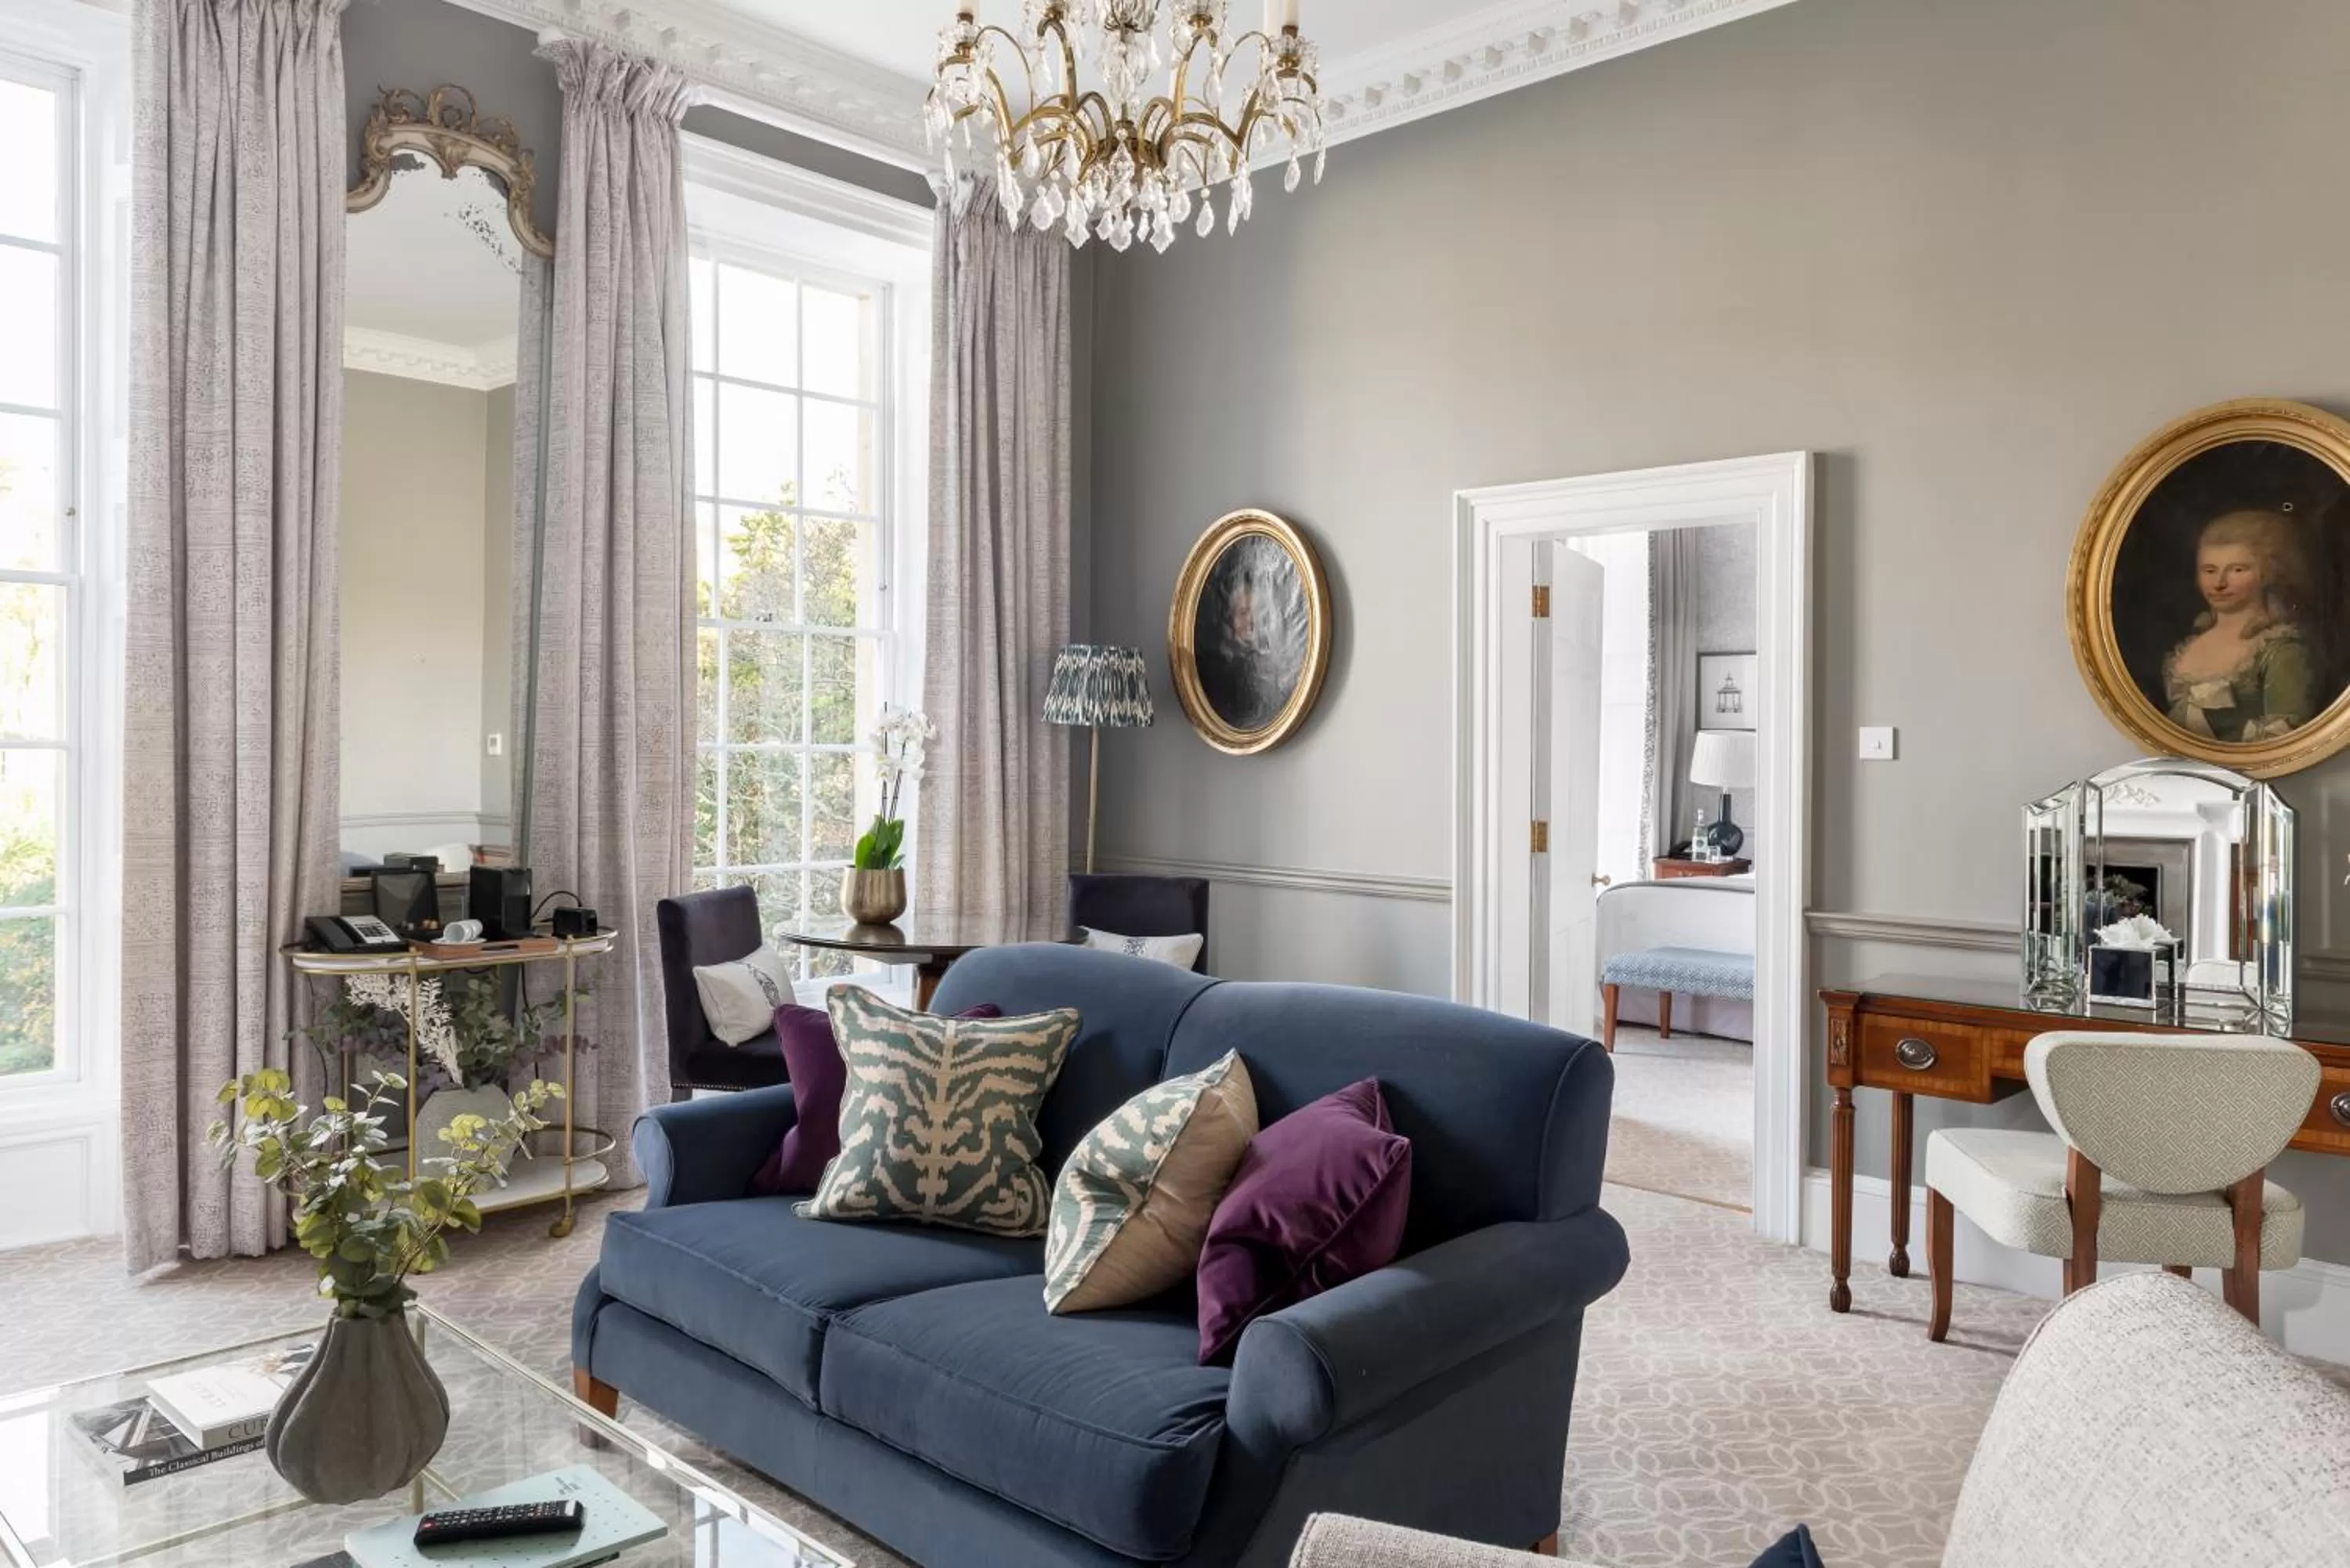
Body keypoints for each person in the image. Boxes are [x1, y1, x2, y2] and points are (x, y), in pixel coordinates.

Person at [2160, 508, 2318, 741]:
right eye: (2209, 570)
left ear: (2268, 574)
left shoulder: (2281, 651)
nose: (2219, 583)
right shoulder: (2192, 644)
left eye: (2237, 570)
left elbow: (2285, 742)